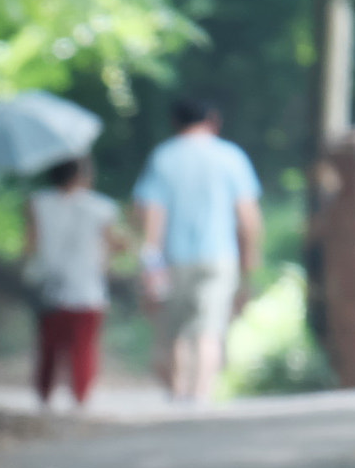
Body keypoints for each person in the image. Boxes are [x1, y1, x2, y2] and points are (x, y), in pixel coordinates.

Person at [132, 97, 263, 402]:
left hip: (173, 259)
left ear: (175, 122)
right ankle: (200, 396)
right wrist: (249, 263)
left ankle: (178, 396)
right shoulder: (232, 157)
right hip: (220, 258)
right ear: (213, 121)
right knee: (208, 330)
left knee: (174, 332)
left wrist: (150, 262)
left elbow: (151, 215)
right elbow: (248, 219)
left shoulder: (163, 158)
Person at [24, 156, 127, 408]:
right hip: (87, 287)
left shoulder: (38, 203)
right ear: (83, 176)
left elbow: (30, 244)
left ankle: (44, 395)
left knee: (49, 346)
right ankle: (81, 395)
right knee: (83, 346)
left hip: (50, 286)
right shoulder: (101, 207)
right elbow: (116, 244)